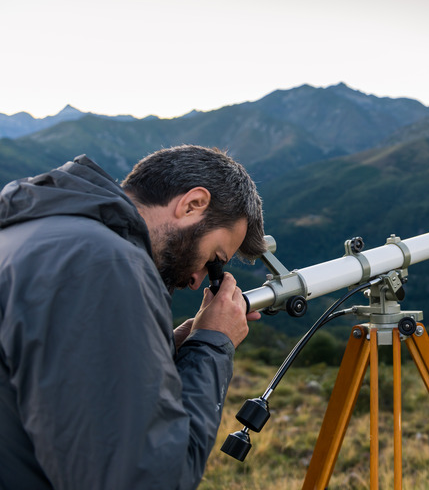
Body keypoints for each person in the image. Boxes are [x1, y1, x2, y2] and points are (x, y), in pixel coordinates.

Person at [0, 145, 266, 489]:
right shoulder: (103, 264)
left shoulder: (40, 235)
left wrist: (162, 348)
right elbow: (143, 478)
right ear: (192, 204)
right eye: (214, 260)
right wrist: (213, 347)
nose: (198, 279)